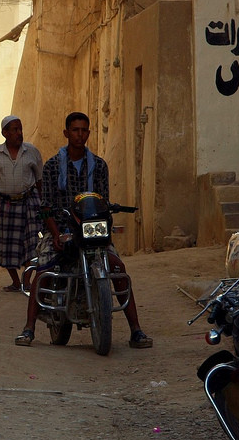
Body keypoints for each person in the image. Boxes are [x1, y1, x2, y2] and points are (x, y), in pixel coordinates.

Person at [14, 111, 152, 349]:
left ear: (89, 133)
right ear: (66, 133)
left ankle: (136, 330)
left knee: (118, 268)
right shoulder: (52, 166)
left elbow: (103, 202)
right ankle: (29, 328)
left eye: (84, 130)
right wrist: (56, 234)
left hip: (91, 229)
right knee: (43, 269)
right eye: (75, 130)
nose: (80, 135)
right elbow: (45, 207)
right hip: (61, 227)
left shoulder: (98, 166)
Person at [0, 116, 44, 292]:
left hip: (30, 200)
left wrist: (44, 201)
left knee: (31, 242)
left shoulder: (31, 152)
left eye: (20, 129)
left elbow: (39, 179)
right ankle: (16, 282)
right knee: (6, 244)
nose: (18, 133)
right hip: (6, 203)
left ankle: (27, 280)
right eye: (14, 130)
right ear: (4, 133)